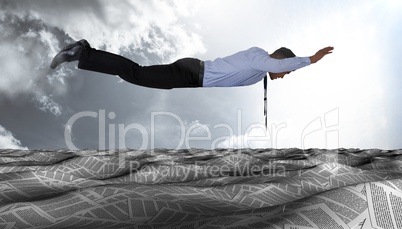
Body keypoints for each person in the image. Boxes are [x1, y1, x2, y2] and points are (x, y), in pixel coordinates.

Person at [50, 39, 333, 90]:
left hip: (190, 76)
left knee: (135, 75)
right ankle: (82, 53)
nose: (284, 76)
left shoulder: (259, 69)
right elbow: (273, 65)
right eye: (286, 71)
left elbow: (269, 70)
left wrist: (272, 74)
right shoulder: (259, 56)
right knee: (135, 74)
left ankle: (83, 52)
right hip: (191, 73)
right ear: (280, 59)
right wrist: (312, 59)